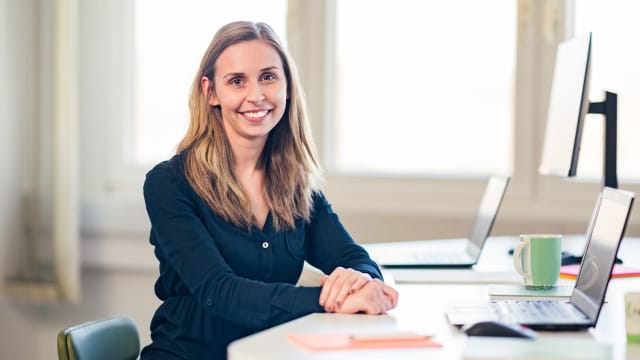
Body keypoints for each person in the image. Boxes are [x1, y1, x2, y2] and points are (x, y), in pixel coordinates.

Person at [140, 21, 398, 359]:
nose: (256, 95)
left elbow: (353, 258)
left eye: (268, 77)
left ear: (287, 86)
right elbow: (219, 292)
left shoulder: (296, 184)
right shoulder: (170, 184)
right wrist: (329, 298)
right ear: (211, 92)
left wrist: (361, 282)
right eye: (237, 81)